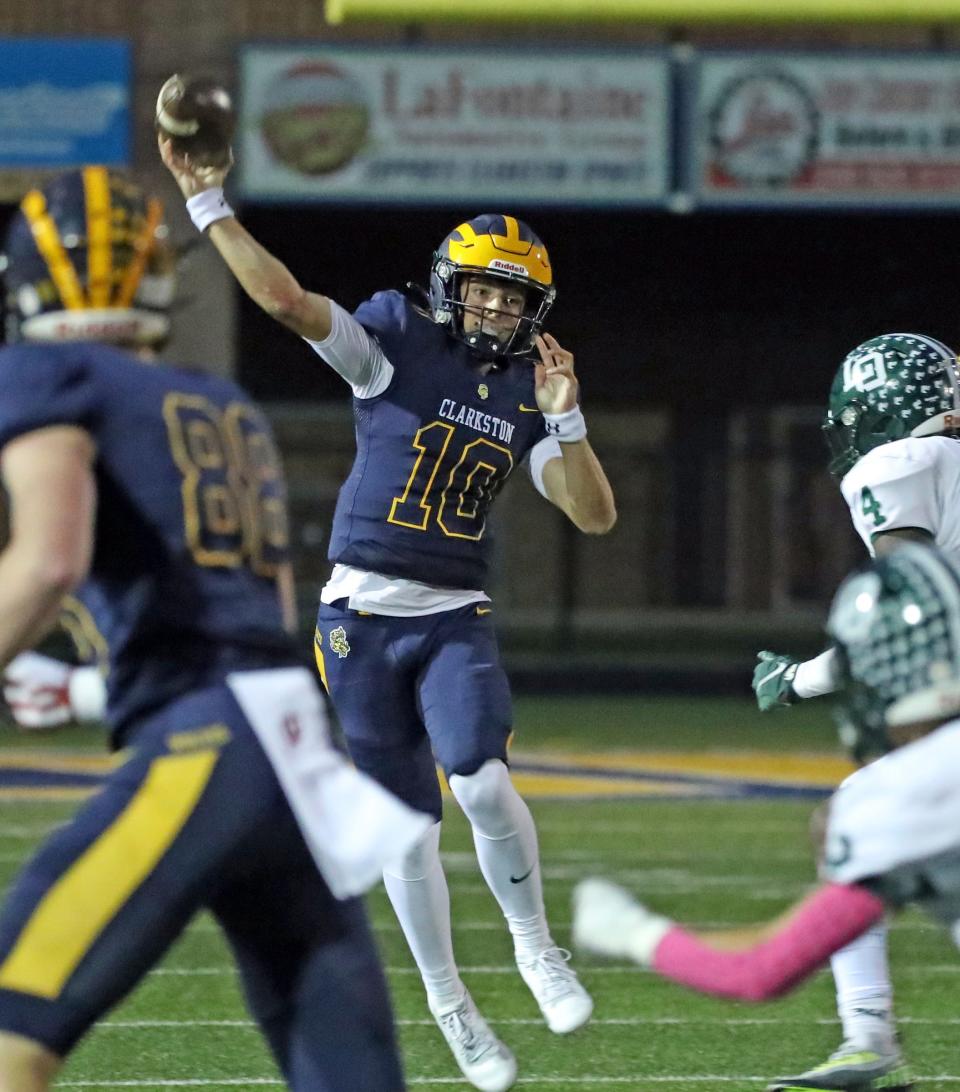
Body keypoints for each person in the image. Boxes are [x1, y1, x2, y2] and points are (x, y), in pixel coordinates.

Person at [159, 134, 617, 1092]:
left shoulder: (528, 394)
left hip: (453, 613)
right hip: (359, 620)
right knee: (406, 832)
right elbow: (286, 302)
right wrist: (209, 206)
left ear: (532, 310)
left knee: (484, 787)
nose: (494, 306)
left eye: (511, 295)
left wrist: (568, 417)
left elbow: (593, 513)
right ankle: (453, 1006)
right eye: (482, 287)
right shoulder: (391, 342)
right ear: (450, 286)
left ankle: (535, 948)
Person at [0, 166, 430, 1092]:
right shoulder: (219, 401)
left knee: (11, 1013)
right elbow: (257, 621)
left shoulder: (49, 371)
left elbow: (46, 561)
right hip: (296, 757)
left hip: (207, 749)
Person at [573, 540, 960, 1092]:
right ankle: (868, 1042)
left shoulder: (901, 798)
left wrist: (634, 932)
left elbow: (758, 970)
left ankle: (868, 1038)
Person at [749, 331, 960, 1091]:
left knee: (851, 824)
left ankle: (869, 1039)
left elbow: (909, 617)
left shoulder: (899, 464)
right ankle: (867, 1041)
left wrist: (798, 680)